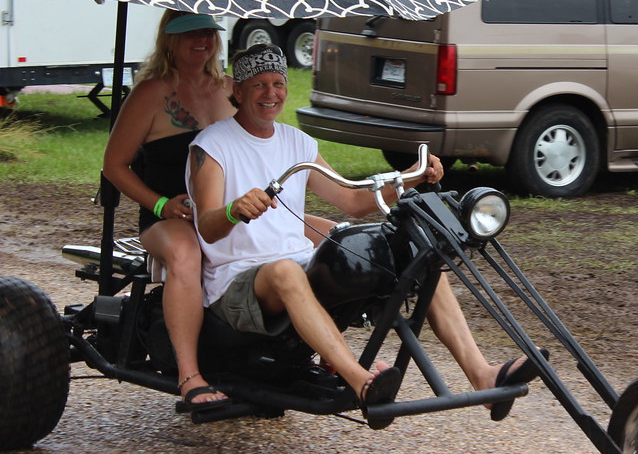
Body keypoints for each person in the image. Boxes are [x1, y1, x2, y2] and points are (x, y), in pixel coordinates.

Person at [186, 44, 544, 427]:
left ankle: (481, 372)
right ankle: (359, 380)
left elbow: (353, 202)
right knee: (285, 270)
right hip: (237, 280)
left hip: (295, 266)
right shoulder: (212, 145)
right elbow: (206, 226)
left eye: (277, 83)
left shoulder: (297, 143)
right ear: (238, 92)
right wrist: (232, 210)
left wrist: (411, 178)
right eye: (258, 85)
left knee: (418, 256)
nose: (270, 93)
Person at [102, 10, 234, 411]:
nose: (202, 39)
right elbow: (114, 165)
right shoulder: (151, 93)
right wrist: (161, 204)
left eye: (208, 31)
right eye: (189, 32)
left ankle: (308, 357)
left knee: (314, 236)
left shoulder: (230, 88)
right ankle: (190, 375)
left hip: (225, 213)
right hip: (167, 216)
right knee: (185, 253)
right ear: (169, 40)